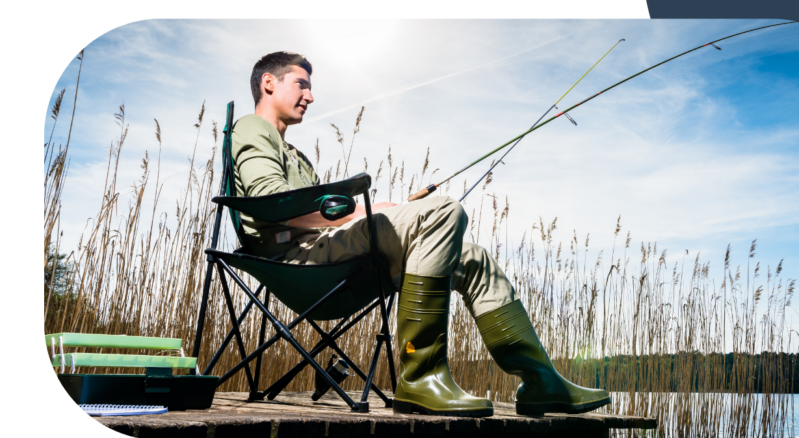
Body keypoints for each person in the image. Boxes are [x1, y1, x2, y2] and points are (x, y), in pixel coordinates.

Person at [231, 51, 610, 418]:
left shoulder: (295, 154)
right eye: (301, 84)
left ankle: (540, 381)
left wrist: (388, 212)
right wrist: (369, 211)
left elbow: (320, 213)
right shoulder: (252, 128)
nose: (310, 96)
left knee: (473, 259)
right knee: (444, 211)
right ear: (269, 82)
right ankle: (421, 377)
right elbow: (272, 201)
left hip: (330, 252)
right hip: (299, 263)